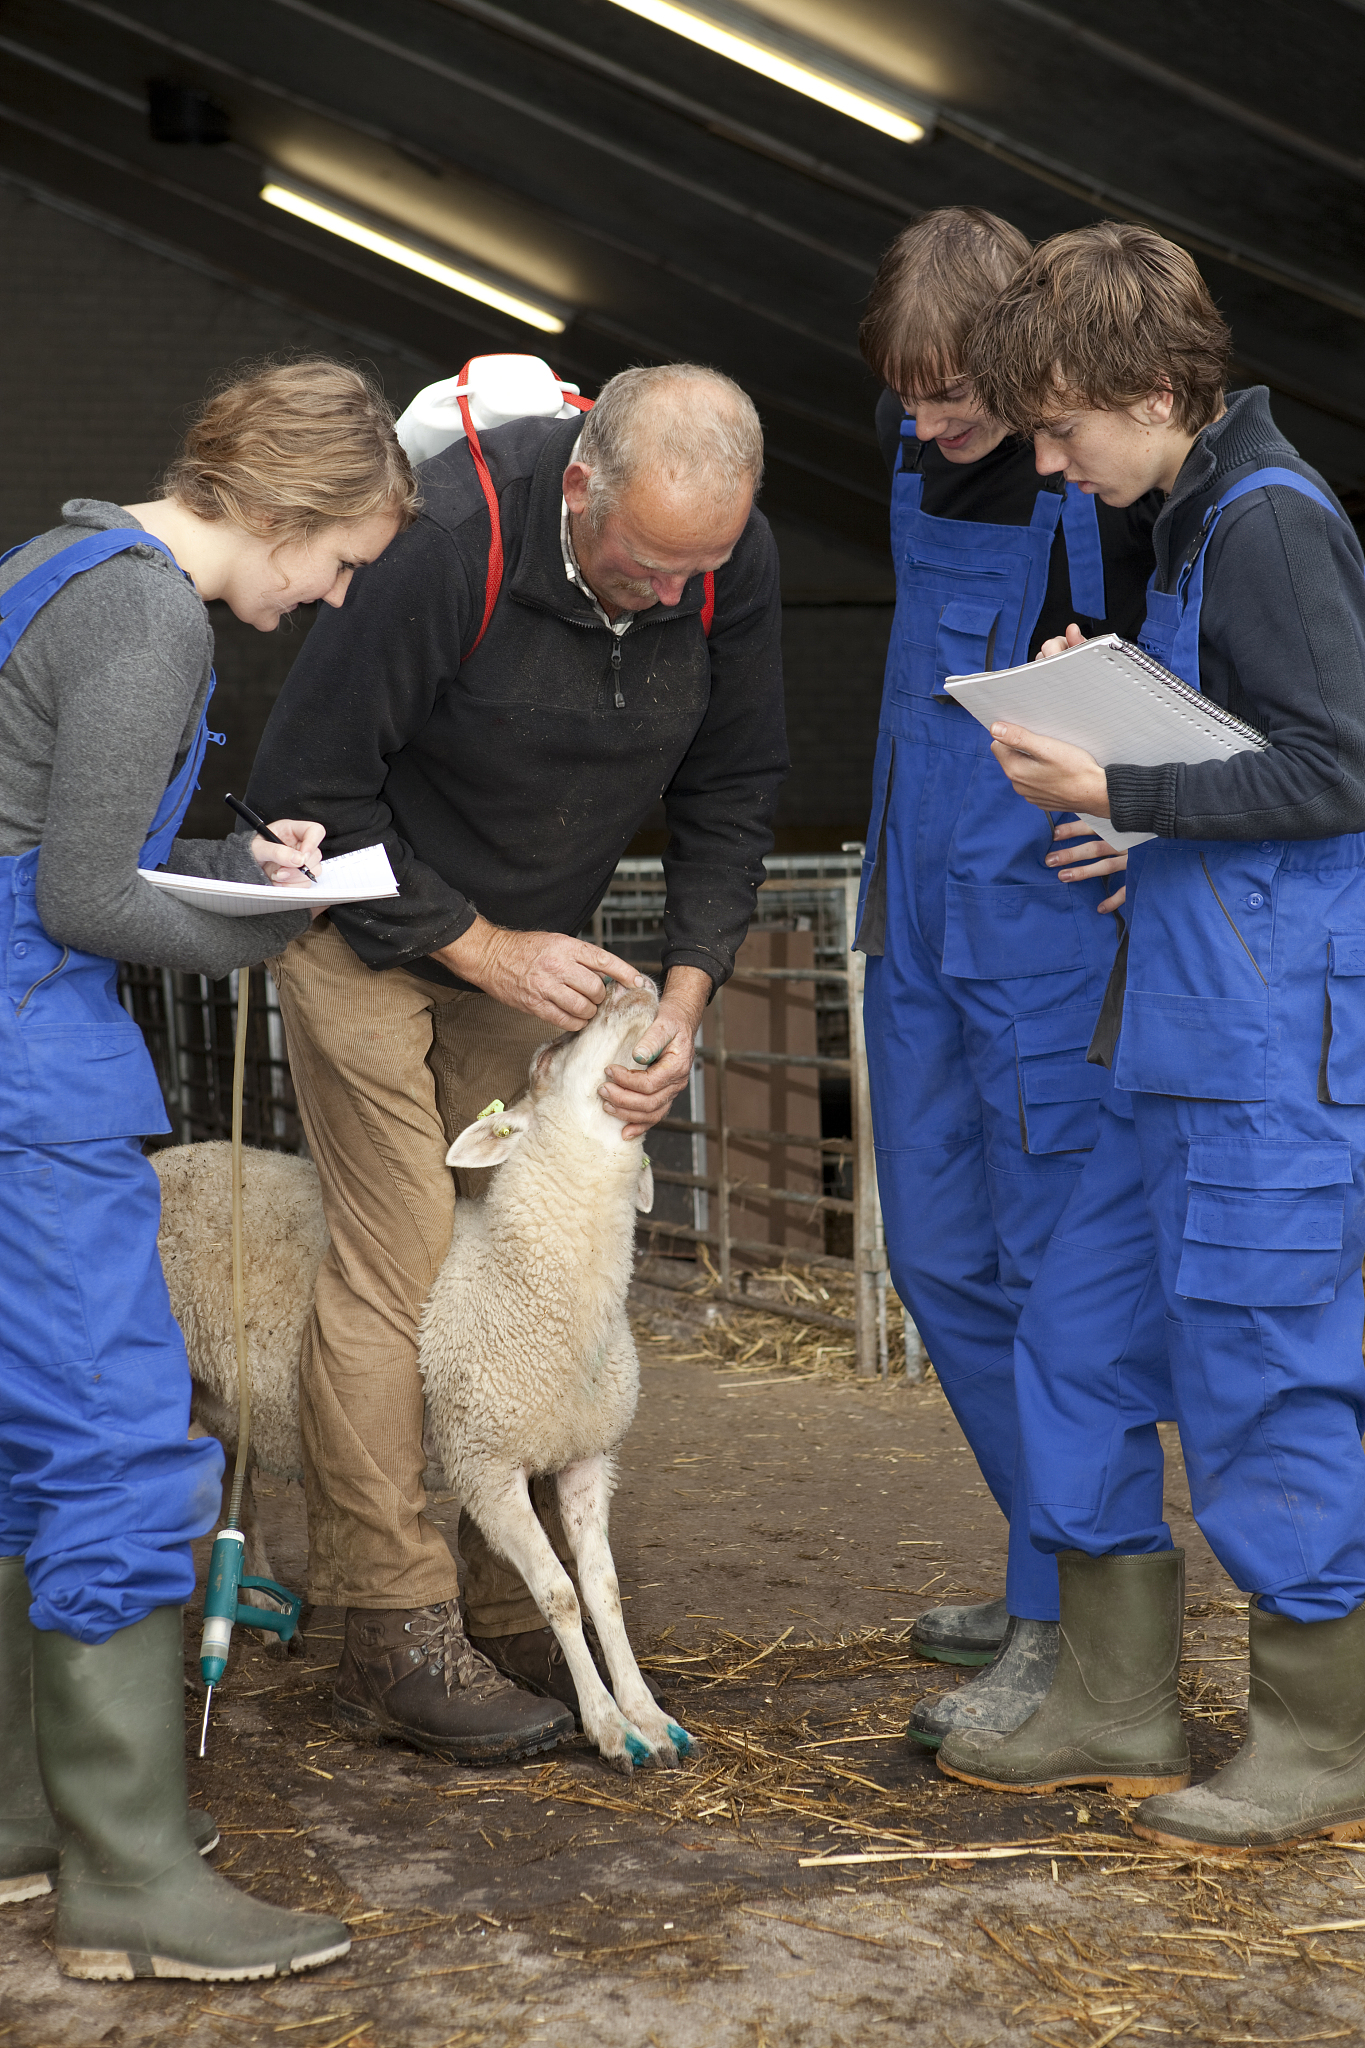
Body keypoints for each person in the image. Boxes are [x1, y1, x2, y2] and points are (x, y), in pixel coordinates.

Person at [245, 361, 788, 1759]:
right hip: (363, 929)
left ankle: (508, 1606)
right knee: (403, 1247)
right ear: (584, 480)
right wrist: (478, 946)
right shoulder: (443, 542)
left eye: (702, 567)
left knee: (507, 1240)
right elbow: (305, 789)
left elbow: (730, 791)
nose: (670, 597)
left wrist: (678, 1004)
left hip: (528, 943)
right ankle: (394, 1618)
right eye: (645, 563)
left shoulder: (722, 562)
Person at [935, 222, 1365, 1856]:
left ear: (1146, 387)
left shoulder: (1266, 526)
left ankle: (1318, 1738)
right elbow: (1244, 767)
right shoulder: (1185, 526)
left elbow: (1340, 770)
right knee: (1078, 1343)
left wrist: (1117, 785)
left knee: (1262, 1378)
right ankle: (1112, 1699)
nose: (1049, 464)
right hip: (1177, 1034)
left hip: (1265, 1063)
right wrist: (1128, 761)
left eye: (1060, 430)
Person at [0, 357, 417, 1978]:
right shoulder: (155, 614)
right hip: (30, 1057)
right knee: (109, 1433)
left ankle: (32, 1822)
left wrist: (233, 864)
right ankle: (131, 1882)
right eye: (340, 560)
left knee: (22, 1435)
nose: (326, 593)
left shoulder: (52, 563)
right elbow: (84, 903)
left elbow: (52, 832)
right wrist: (268, 929)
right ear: (287, 510)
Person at [852, 208, 1160, 1750]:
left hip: (1040, 932)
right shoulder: (917, 450)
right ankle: (1039, 1547)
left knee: (1054, 1284)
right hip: (914, 907)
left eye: (949, 389)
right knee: (936, 1262)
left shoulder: (1097, 500)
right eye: (906, 393)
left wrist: (1147, 827)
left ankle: (1069, 1626)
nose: (926, 419)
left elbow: (1186, 705)